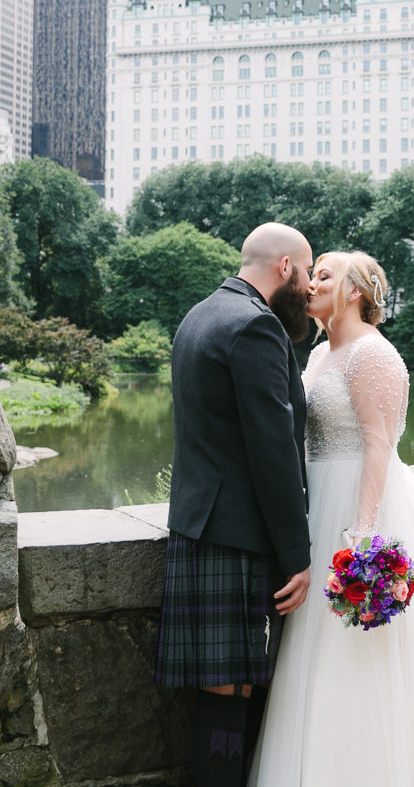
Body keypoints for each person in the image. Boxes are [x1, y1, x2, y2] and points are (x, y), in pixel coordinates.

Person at [249, 251, 414, 786]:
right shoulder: (320, 353)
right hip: (315, 504)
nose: (310, 284)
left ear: (353, 292)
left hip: (359, 506)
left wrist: (363, 535)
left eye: (323, 276)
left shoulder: (375, 355)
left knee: (365, 654)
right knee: (313, 657)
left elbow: (379, 444)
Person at [155, 222, 316, 787]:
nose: (309, 291)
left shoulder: (200, 315)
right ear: (285, 268)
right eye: (307, 272)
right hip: (238, 536)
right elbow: (273, 452)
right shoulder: (256, 327)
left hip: (199, 527)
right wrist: (298, 555)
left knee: (222, 690)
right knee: (232, 692)